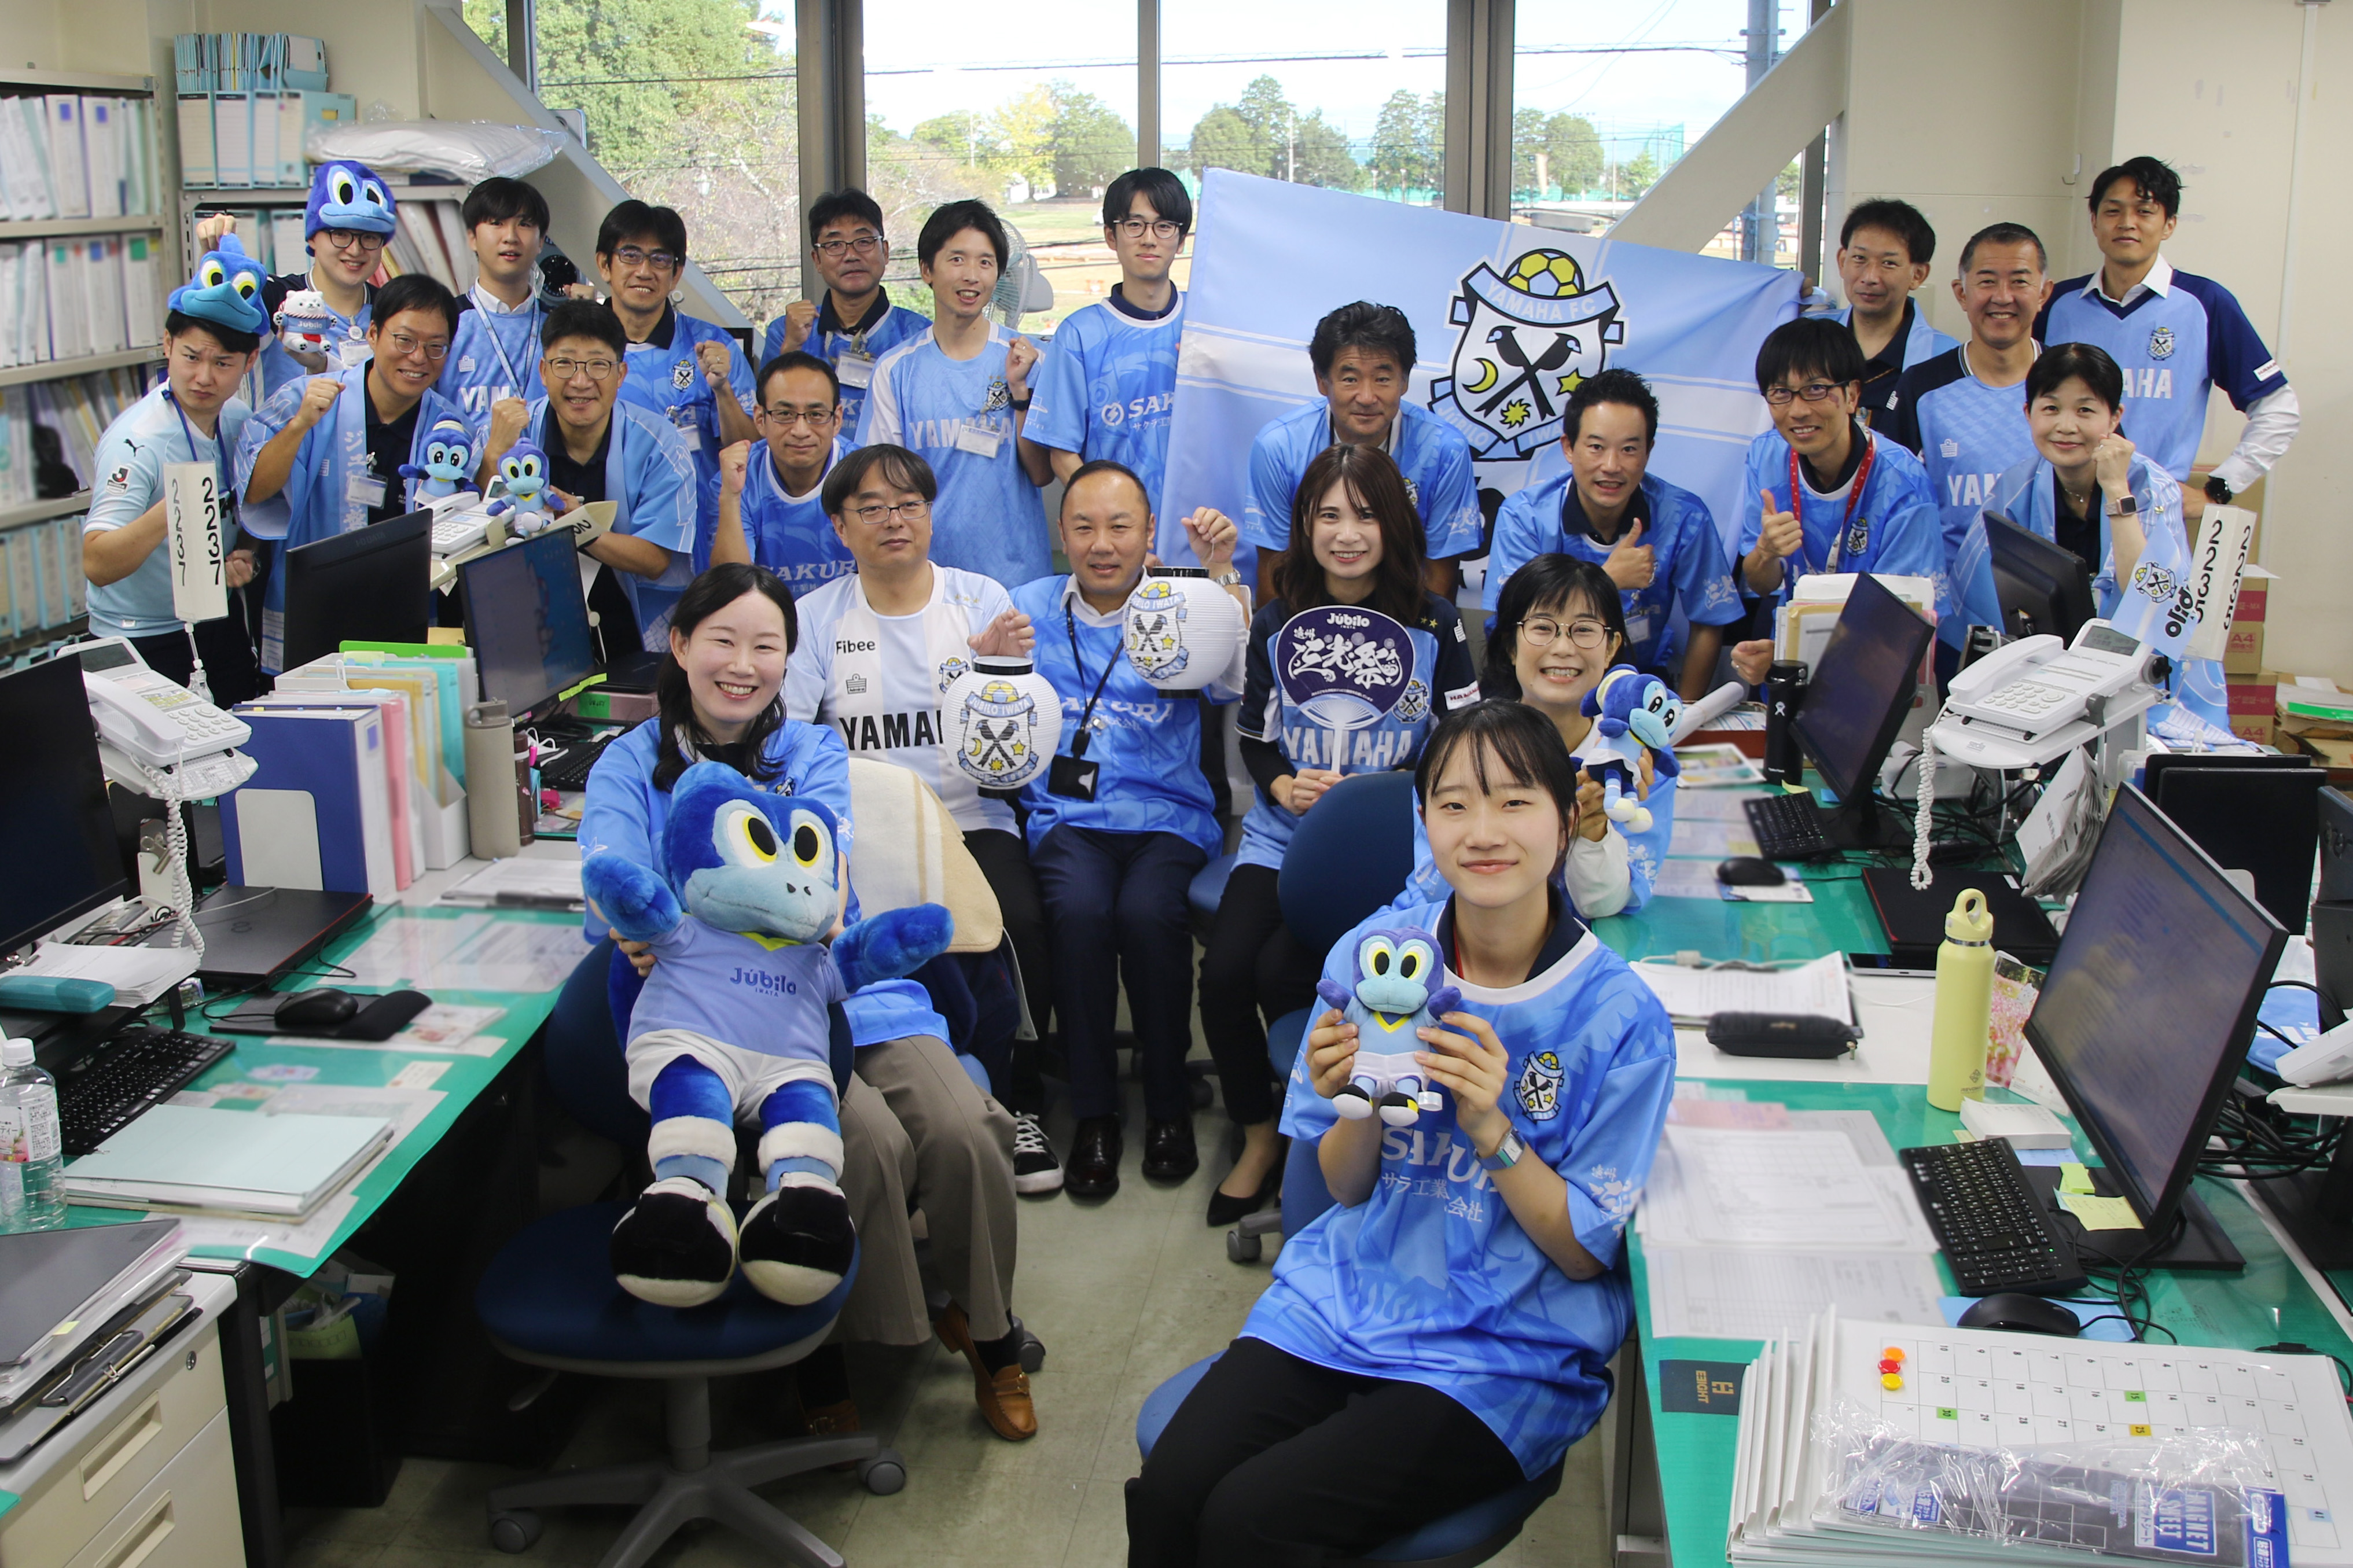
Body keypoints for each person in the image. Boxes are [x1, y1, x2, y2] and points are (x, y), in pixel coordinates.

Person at [1127, 699, 1675, 1567]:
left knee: (1249, 1522)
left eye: (1515, 802)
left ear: (1565, 821)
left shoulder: (1619, 1016)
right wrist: (1354, 1103)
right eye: (1454, 804)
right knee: (1169, 1494)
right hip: (1348, 1296)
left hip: (1503, 1347)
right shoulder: (1376, 958)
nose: (1483, 831)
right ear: (1425, 823)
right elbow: (1344, 1188)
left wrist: (1490, 1126)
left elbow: (1581, 1256)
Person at [580, 562, 1036, 1444]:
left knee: (964, 1124)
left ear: (788, 659)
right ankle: (828, 1352)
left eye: (766, 646)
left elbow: (825, 886)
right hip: (719, 1017)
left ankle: (988, 1329)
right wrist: (635, 914)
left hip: (840, 985)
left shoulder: (811, 751)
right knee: (864, 1141)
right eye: (722, 640)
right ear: (680, 644)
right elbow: (615, 877)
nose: (742, 665)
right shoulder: (631, 763)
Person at [1201, 444, 1477, 1225]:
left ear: (1393, 525)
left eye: (1364, 514)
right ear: (1303, 526)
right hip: (1280, 836)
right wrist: (1281, 784)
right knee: (1224, 975)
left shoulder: (1435, 623)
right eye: (1327, 515)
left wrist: (1387, 793)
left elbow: (1462, 742)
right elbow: (1255, 739)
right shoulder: (1275, 621)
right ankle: (1261, 1135)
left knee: (1296, 975)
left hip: (1395, 853)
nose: (1346, 533)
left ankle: (1332, 1133)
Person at [779, 443, 1059, 1192]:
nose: (894, 520)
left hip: (971, 818)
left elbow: (1015, 749)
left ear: (931, 514)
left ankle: (1017, 1101)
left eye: (908, 504)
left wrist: (997, 670)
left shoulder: (978, 599)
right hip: (862, 831)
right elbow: (794, 744)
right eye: (871, 508)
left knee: (1018, 923)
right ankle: (910, 1095)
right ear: (840, 526)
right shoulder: (814, 618)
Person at [1010, 462, 1249, 1198]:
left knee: (1149, 915)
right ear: (1061, 532)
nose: (1101, 543)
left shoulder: (1183, 604)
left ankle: (1168, 1102)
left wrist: (1220, 575)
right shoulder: (1027, 608)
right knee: (1080, 913)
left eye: (1120, 526)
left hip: (1167, 815)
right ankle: (1095, 1112)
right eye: (1083, 526)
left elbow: (1235, 682)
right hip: (1069, 819)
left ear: (1148, 535)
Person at [1949, 343, 2227, 727]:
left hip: (2147, 689)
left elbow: (2152, 603)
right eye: (2051, 408)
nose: (2066, 426)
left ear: (2115, 418)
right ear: (2028, 414)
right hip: (2043, 684)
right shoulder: (2015, 488)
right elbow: (1977, 602)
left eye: (2085, 410)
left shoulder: (2152, 487)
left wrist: (2116, 490)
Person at [1399, 554, 1675, 919]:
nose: (1563, 648)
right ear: (1511, 645)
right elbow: (1438, 887)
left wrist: (1592, 832)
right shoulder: (1455, 745)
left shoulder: (1638, 761)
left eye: (1585, 630)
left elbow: (1609, 905)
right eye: (1542, 628)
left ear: (1611, 647)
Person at [234, 273, 479, 673]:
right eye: (405, 340)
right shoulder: (304, 399)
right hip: (314, 611)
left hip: (404, 617)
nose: (419, 357)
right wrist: (299, 426)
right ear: (373, 334)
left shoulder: (451, 431)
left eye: (436, 347)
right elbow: (255, 493)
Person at [2036, 156, 2297, 517]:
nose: (2127, 223)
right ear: (2094, 221)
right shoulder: (2054, 304)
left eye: (2144, 211)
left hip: (2153, 512)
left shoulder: (2206, 303)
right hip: (2057, 507)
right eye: (2113, 211)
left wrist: (2219, 489)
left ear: (2169, 224)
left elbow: (2279, 410)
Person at [81, 241, 267, 703]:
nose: (204, 377)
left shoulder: (237, 418)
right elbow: (97, 563)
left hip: (216, 617)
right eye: (191, 357)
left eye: (223, 363)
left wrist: (244, 554)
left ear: (249, 363)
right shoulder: (138, 442)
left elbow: (250, 505)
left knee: (247, 728)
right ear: (167, 346)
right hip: (141, 636)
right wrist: (178, 508)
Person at [1484, 370, 1743, 699]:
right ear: (1569, 448)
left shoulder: (1684, 517)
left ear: (1648, 451)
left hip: (1636, 682)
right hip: (1538, 680)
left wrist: (1687, 714)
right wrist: (1606, 582)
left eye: (1629, 449)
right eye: (1596, 447)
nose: (1611, 465)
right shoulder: (1525, 516)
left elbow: (1709, 621)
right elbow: (1514, 622)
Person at [480, 300, 696, 659]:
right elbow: (477, 530)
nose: (581, 382)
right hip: (524, 625)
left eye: (598, 365)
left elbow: (655, 559)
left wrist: (577, 525)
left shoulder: (660, 442)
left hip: (629, 629)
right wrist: (493, 454)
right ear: (544, 371)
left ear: (621, 374)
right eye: (564, 364)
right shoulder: (512, 430)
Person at [859, 199, 1053, 587]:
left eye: (986, 262)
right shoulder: (896, 370)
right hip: (929, 584)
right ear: (927, 270)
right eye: (957, 260)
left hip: (1018, 582)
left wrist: (1020, 392)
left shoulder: (1030, 359)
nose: (972, 276)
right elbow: (881, 485)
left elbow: (1042, 473)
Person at [1881, 223, 2053, 646]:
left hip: (2053, 621)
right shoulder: (1922, 387)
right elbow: (1885, 497)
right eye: (1987, 281)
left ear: (2044, 293)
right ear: (1961, 293)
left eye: (2020, 281)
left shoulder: (2071, 383)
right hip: (1949, 626)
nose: (2003, 297)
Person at [1241, 301, 1483, 598]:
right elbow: (1275, 567)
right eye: (1350, 379)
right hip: (1309, 606)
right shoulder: (1279, 447)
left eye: (1382, 379)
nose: (1367, 397)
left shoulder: (1444, 450)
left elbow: (1439, 573)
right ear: (1322, 381)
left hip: (1406, 608)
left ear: (1404, 381)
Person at [1026, 168, 1190, 558]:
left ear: (1181, 239)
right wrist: (1115, 530)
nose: (1149, 238)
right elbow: (1062, 453)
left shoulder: (1204, 323)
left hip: (1200, 532)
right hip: (1117, 551)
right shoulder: (1079, 335)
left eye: (1164, 226)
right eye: (1135, 225)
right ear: (1111, 237)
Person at [1735, 316, 1944, 612]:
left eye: (1816, 389)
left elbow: (1903, 619)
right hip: (1795, 631)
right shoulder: (1766, 456)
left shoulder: (1904, 484)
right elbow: (1761, 584)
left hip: (1876, 634)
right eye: (1781, 393)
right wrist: (1766, 552)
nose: (1798, 411)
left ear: (1852, 396)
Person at [595, 200, 758, 558]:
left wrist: (723, 391)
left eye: (660, 259)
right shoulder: (579, 349)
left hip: (700, 540)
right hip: (606, 543)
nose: (644, 271)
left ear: (677, 272)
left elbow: (752, 452)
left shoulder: (712, 344)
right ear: (604, 265)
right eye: (631, 255)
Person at [196, 161, 396, 399]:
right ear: (312, 238)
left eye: (370, 237)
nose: (355, 250)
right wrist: (213, 255)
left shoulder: (392, 308)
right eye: (340, 234)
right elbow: (210, 320)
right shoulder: (274, 297)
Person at [759, 188, 928, 435]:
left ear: (885, 252)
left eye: (864, 241)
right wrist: (791, 348)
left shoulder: (919, 335)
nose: (851, 256)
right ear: (817, 260)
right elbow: (770, 424)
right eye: (835, 245)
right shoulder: (785, 331)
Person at [707, 351, 856, 587]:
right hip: (763, 610)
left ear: (837, 420)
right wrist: (731, 497)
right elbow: (730, 588)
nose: (800, 431)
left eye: (816, 415)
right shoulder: (735, 480)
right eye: (785, 414)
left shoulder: (867, 475)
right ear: (760, 419)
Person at [1831, 198, 1958, 421]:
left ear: (1918, 275)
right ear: (1842, 261)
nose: (1870, 277)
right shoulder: (1806, 340)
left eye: (1889, 263)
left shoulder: (1946, 359)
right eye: (1859, 258)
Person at [444, 177, 560, 421]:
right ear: (472, 237)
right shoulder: (445, 321)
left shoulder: (562, 327)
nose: (511, 237)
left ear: (541, 240)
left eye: (525, 224)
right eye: (497, 223)